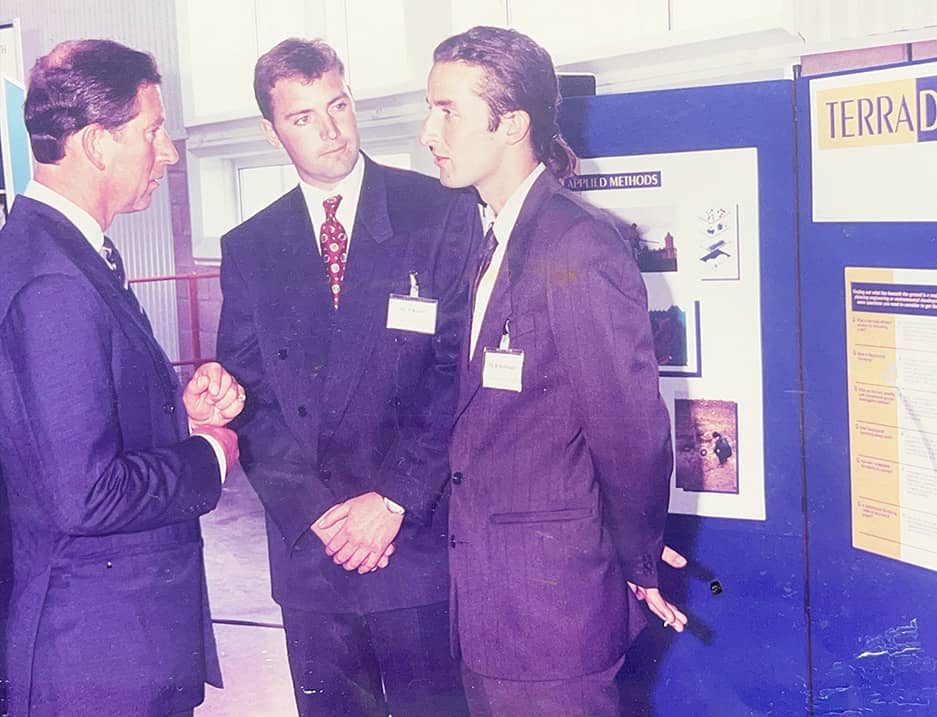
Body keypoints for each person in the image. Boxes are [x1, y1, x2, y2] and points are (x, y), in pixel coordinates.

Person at [420, 26, 688, 716]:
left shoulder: (576, 243)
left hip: (550, 615)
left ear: (511, 123)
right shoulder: (489, 235)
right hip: (487, 603)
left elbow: (629, 428)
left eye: (447, 110)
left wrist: (637, 558)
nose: (429, 131)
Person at [216, 38, 480, 717]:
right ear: (270, 131)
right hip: (312, 548)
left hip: (413, 535)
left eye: (337, 105)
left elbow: (457, 373)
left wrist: (390, 501)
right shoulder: (250, 245)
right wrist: (320, 516)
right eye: (303, 117)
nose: (330, 130)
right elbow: (249, 399)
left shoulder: (438, 211)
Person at [0, 39, 243, 716]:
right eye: (153, 131)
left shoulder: (63, 253)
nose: (167, 153)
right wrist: (208, 456)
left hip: (116, 638)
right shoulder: (54, 281)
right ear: (99, 144)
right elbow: (83, 494)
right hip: (97, 653)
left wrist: (178, 417)